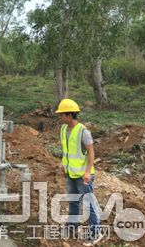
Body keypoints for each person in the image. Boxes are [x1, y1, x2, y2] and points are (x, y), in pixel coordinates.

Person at [56, 99, 102, 246]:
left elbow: (91, 152)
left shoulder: (83, 132)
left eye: (61, 114)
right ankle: (72, 225)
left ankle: (96, 232)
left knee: (88, 203)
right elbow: (67, 151)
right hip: (71, 174)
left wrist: (88, 172)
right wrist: (64, 164)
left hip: (83, 176)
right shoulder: (63, 129)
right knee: (73, 201)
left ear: (69, 116)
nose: (59, 117)